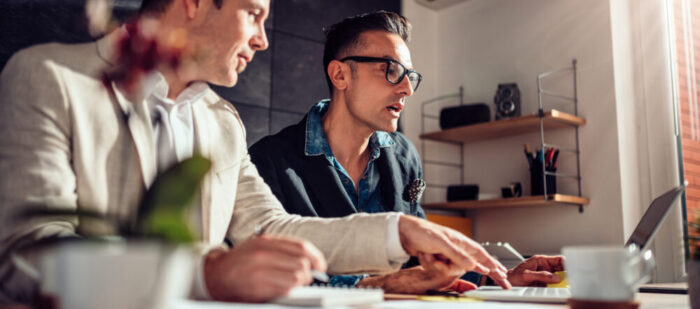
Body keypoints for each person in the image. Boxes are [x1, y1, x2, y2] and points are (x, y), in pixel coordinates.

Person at [0, 0, 511, 305]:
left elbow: (274, 226)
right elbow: (25, 253)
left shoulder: (222, 121)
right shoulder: (49, 78)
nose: (264, 40)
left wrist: (398, 229)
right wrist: (204, 274)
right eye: (253, 13)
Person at [249, 11, 565, 294]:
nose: (407, 89)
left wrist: (498, 277)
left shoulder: (403, 154)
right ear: (340, 75)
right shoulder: (270, 161)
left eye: (409, 76)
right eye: (390, 70)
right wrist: (374, 285)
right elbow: (263, 272)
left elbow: (420, 256)